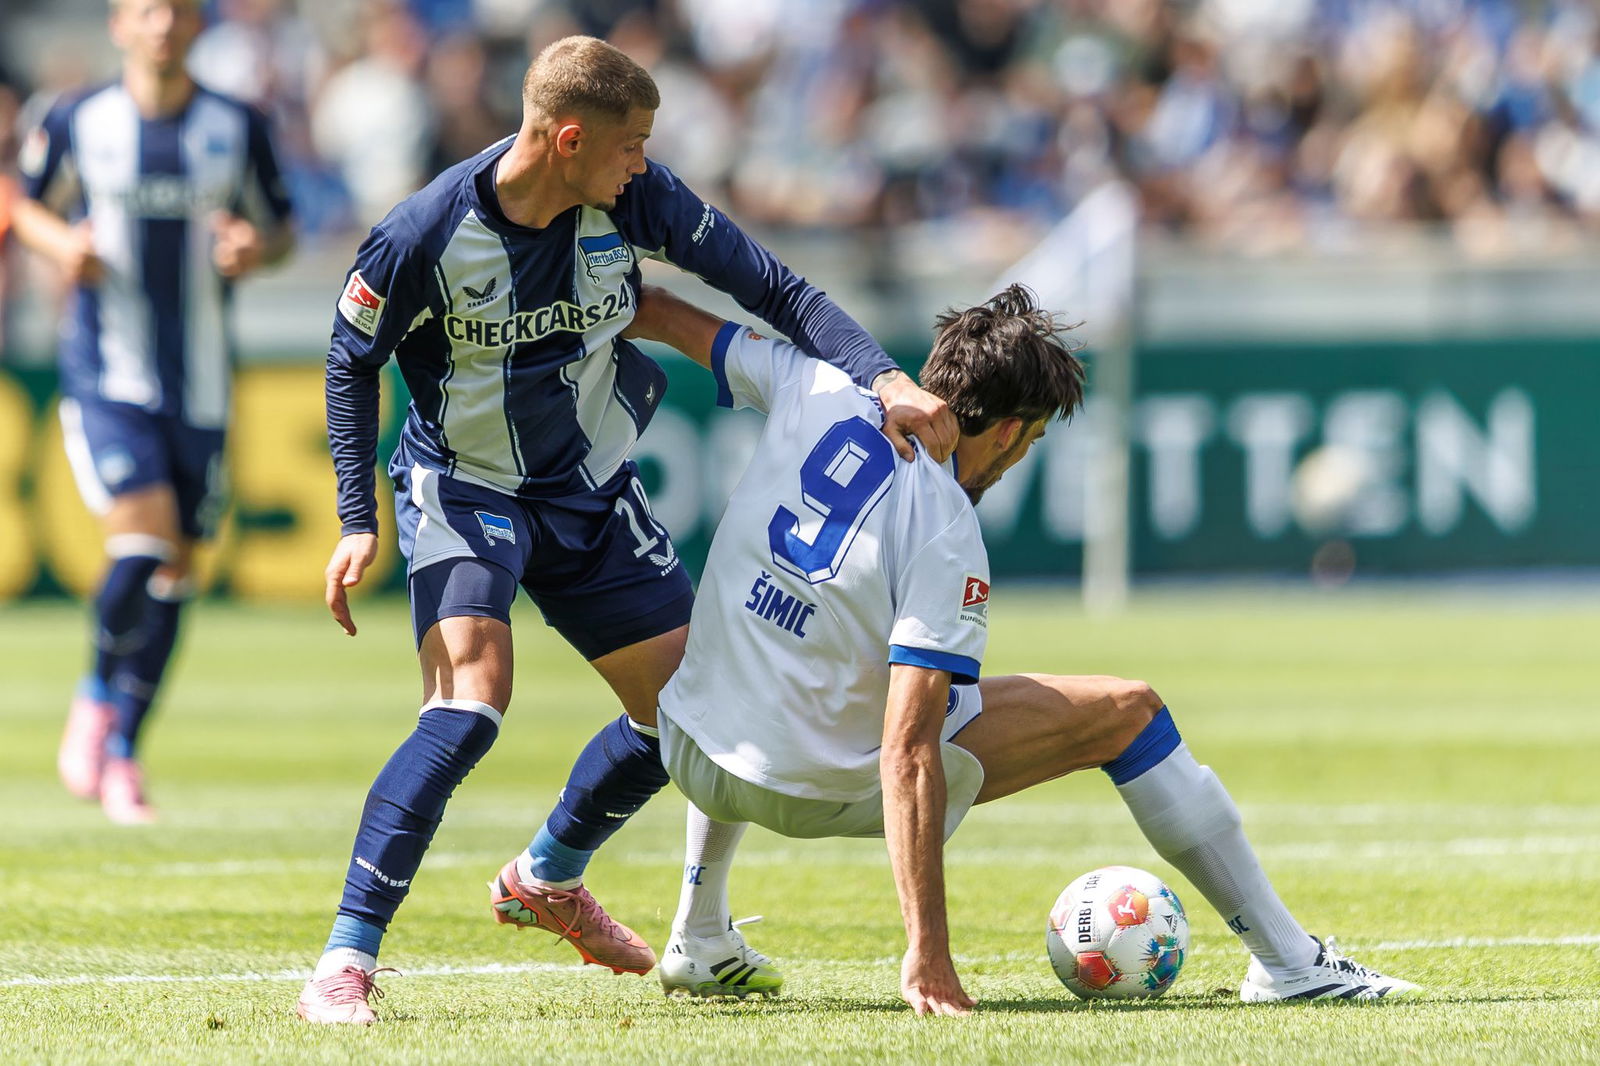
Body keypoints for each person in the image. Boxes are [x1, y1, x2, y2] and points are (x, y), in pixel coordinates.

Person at [296, 35, 955, 1024]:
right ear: (567, 139)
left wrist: (888, 378)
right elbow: (350, 360)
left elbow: (780, 290)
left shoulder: (636, 202)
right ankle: (344, 960)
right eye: (630, 144)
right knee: (471, 702)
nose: (643, 162)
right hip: (464, 487)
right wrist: (358, 517)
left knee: (689, 715)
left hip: (589, 490)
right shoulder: (422, 231)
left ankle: (548, 874)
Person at [639, 284, 1418, 1013]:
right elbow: (909, 752)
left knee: (779, 639)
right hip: (805, 788)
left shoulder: (812, 383)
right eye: (1031, 441)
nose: (1017, 463)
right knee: (1130, 714)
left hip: (689, 746)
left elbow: (661, 311)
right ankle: (1289, 962)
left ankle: (699, 929)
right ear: (1008, 430)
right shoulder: (946, 524)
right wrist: (928, 954)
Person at [12, 0, 294, 824]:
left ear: (197, 28)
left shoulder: (237, 124)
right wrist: (62, 246)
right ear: (118, 25)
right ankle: (96, 698)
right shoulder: (76, 118)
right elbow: (25, 202)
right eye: (146, 10)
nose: (162, 24)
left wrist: (254, 249)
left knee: (178, 574)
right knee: (142, 540)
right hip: (107, 371)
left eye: (175, 11)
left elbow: (279, 226)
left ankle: (125, 752)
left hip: (202, 381)